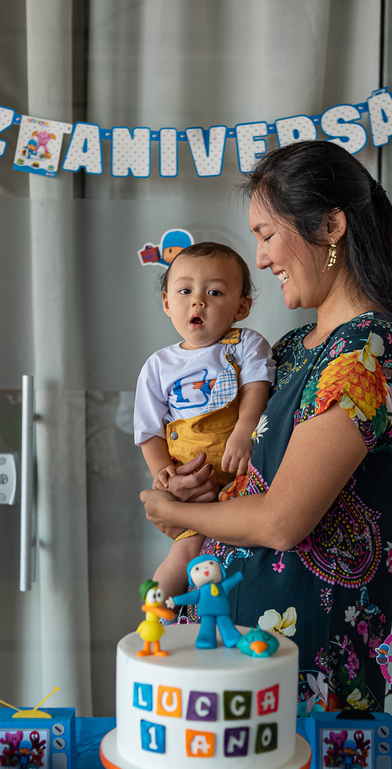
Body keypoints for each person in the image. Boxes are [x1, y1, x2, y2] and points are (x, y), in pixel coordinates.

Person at [141, 140, 392, 714]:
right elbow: (248, 487)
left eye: (268, 234)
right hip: (235, 647)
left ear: (330, 227)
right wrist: (194, 488)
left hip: (302, 672)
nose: (260, 258)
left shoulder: (368, 354)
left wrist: (177, 514)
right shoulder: (296, 348)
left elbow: (280, 522)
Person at [133, 241, 275, 598]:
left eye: (214, 292)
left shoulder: (246, 344)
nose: (198, 301)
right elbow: (149, 431)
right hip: (194, 478)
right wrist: (163, 473)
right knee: (186, 551)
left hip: (241, 473)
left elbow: (256, 387)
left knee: (230, 552)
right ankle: (155, 615)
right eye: (185, 291)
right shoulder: (158, 366)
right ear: (167, 303)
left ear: (242, 306)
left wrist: (244, 430)